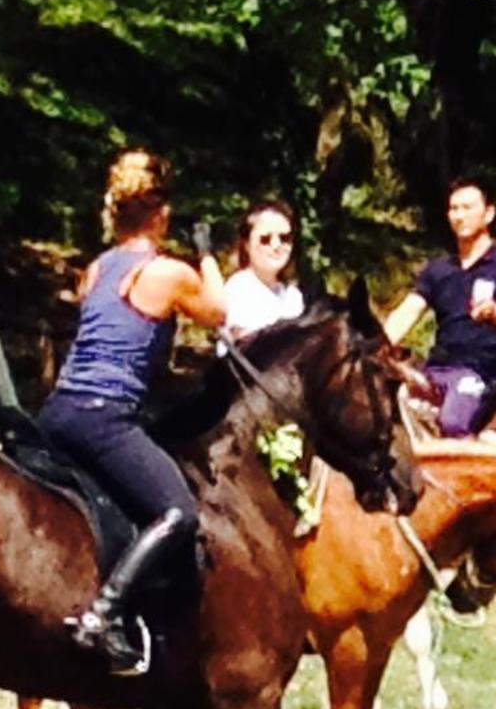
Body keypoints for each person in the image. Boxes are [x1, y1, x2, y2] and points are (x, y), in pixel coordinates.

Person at [37, 149, 226, 674]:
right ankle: (104, 614)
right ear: (161, 215)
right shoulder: (166, 272)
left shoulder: (97, 269)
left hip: (60, 409)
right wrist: (207, 254)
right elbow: (219, 313)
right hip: (104, 415)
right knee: (177, 511)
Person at [381, 178, 496, 437]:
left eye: (467, 208)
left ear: (488, 214)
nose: (459, 216)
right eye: (454, 209)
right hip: (435, 371)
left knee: (453, 422)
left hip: (483, 374)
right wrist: (376, 346)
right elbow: (408, 312)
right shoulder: (439, 270)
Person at [222, 198, 305, 343]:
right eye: (265, 239)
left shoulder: (293, 297)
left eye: (284, 238)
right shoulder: (237, 291)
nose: (276, 245)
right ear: (246, 244)